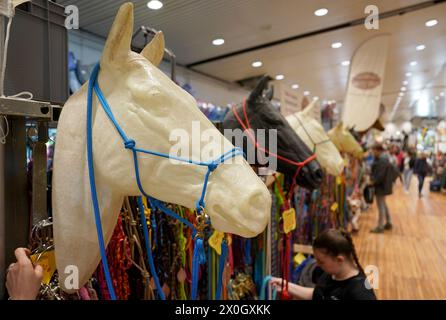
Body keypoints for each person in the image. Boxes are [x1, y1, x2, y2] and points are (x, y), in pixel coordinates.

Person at [270, 229, 376, 300]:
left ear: (339, 259)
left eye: (321, 262)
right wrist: (286, 285)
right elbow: (317, 294)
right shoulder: (331, 273)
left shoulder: (360, 293)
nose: (318, 265)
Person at [370, 143, 395, 233]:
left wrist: (373, 182)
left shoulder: (382, 160)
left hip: (381, 186)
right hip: (384, 185)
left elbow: (380, 175)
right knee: (383, 204)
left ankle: (380, 226)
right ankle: (388, 222)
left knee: (380, 205)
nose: (372, 152)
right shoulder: (383, 159)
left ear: (378, 151)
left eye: (374, 150)